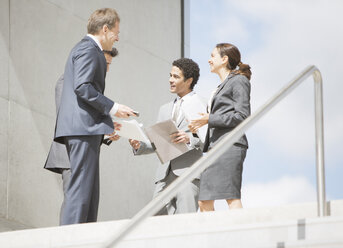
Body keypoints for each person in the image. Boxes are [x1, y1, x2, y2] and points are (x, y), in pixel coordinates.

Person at [54, 8, 136, 225]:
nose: (118, 37)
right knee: (81, 191)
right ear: (105, 29)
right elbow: (84, 88)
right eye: (116, 32)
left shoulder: (86, 49)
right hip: (82, 130)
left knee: (89, 194)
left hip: (85, 130)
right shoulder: (90, 50)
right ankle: (70, 240)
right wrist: (113, 107)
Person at [44, 48, 119, 224]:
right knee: (76, 207)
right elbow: (73, 119)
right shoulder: (67, 83)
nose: (106, 70)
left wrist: (107, 132)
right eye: (105, 64)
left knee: (89, 210)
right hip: (70, 154)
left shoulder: (88, 86)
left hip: (87, 153)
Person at [129, 58, 205, 215]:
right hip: (164, 177)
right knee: (154, 220)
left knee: (185, 223)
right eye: (170, 75)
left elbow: (211, 140)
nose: (170, 80)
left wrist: (190, 139)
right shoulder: (164, 109)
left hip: (188, 173)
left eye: (176, 77)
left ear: (189, 80)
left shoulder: (203, 105)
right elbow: (160, 143)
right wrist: (140, 145)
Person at [188, 43, 251, 212]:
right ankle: (214, 236)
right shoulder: (218, 87)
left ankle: (241, 233)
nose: (209, 60)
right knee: (204, 202)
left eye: (212, 56)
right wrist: (201, 126)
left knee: (231, 197)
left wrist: (210, 119)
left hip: (230, 146)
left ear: (224, 59)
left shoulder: (239, 80)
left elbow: (242, 116)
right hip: (215, 147)